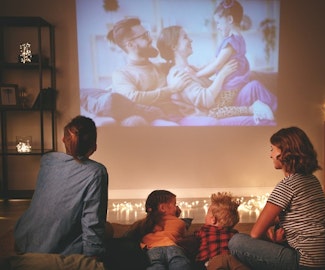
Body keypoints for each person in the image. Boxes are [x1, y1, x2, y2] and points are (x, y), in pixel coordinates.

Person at [228, 127, 325, 269]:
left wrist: (271, 240)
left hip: (307, 263)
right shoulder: (312, 180)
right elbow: (302, 215)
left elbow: (255, 233)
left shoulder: (286, 186)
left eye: (272, 149)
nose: (270, 155)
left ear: (283, 153)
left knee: (237, 241)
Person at [14, 115, 109, 260]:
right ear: (94, 146)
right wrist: (92, 258)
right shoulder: (96, 172)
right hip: (57, 252)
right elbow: (92, 220)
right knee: (109, 230)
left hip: (24, 241)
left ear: (64, 139)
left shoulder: (48, 160)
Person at [156, 25, 276, 126]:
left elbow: (212, 65)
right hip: (211, 114)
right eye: (185, 37)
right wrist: (222, 74)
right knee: (262, 122)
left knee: (254, 86)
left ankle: (281, 114)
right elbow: (206, 100)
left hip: (222, 104)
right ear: (174, 46)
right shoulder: (179, 74)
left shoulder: (190, 68)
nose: (190, 40)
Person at [194, 0, 277, 120]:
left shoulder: (230, 42)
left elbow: (217, 65)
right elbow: (214, 61)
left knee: (213, 113)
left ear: (229, 20)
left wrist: (196, 74)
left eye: (218, 22)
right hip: (239, 83)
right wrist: (199, 69)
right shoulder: (239, 39)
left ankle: (253, 108)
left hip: (231, 86)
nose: (217, 27)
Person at [106, 17, 192, 125]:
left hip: (179, 116)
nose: (150, 39)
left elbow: (189, 70)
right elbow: (133, 98)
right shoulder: (121, 74)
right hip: (156, 120)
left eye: (147, 34)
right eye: (144, 37)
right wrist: (171, 89)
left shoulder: (161, 67)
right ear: (130, 45)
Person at [125, 189, 191, 270]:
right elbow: (181, 237)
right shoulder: (179, 222)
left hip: (152, 250)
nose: (176, 207)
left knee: (155, 266)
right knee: (179, 263)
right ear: (162, 208)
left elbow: (131, 236)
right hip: (172, 248)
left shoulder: (143, 224)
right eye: (174, 204)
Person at [194, 192, 250, 270]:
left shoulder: (205, 230)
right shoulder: (234, 233)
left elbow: (194, 236)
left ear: (213, 220)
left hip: (215, 259)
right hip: (234, 259)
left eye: (207, 214)